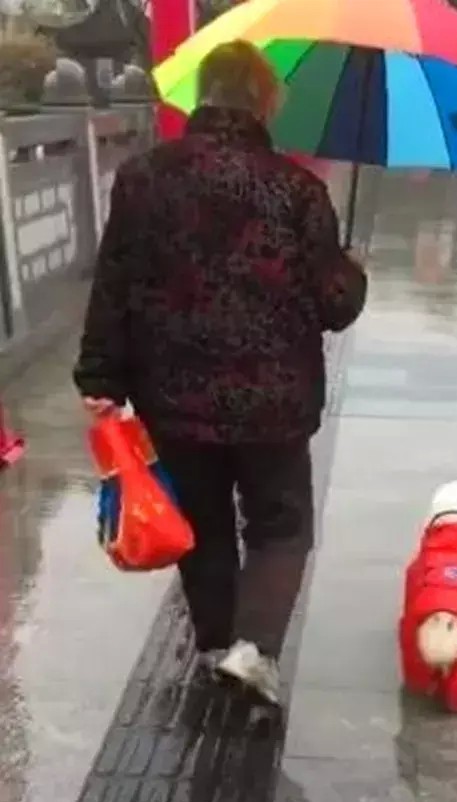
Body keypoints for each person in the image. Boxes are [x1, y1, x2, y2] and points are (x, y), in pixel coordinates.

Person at [73, 40, 367, 704]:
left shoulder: (143, 177)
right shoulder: (299, 190)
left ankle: (214, 643)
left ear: (203, 94)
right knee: (279, 521)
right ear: (265, 101)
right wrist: (351, 268)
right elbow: (335, 304)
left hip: (172, 394)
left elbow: (113, 283)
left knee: (201, 521)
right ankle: (254, 645)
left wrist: (100, 377)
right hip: (275, 401)